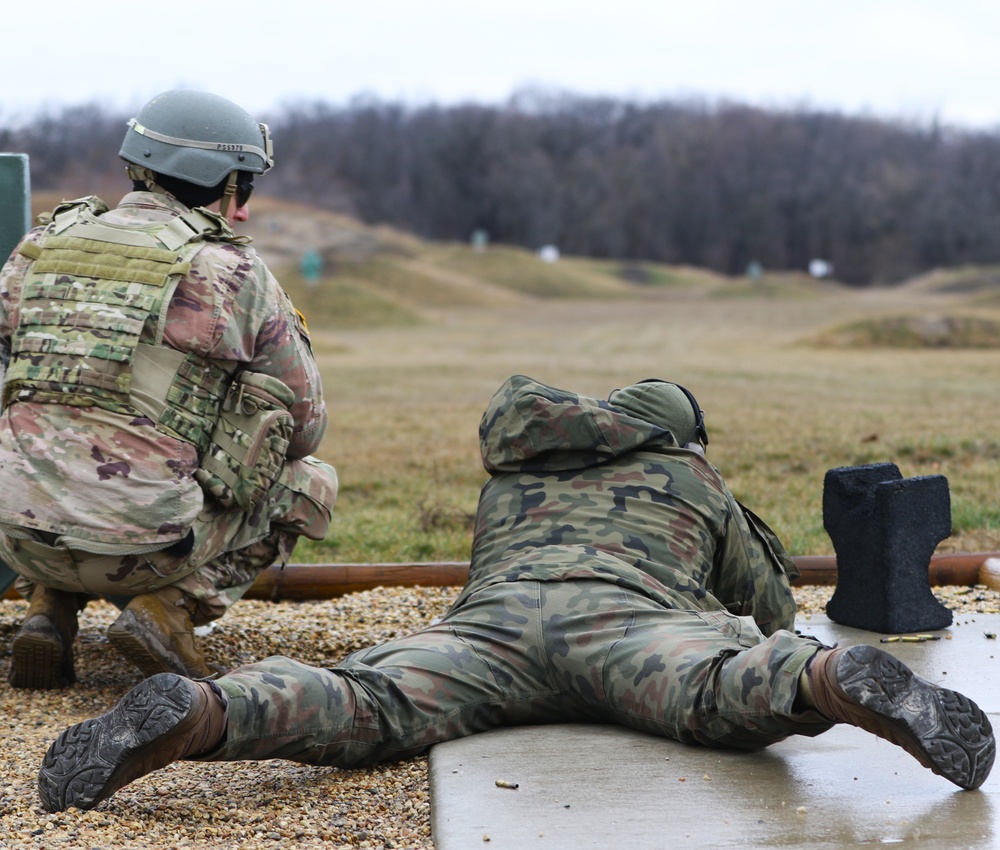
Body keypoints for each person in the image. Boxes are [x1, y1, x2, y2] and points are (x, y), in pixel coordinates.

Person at [37, 375, 994, 812]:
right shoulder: (689, 480)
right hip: (633, 631)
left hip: (492, 632)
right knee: (725, 689)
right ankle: (838, 684)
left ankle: (202, 715)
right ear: (680, 441)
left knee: (366, 701)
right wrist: (785, 629)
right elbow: (769, 605)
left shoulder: (511, 480)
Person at [0, 90, 338, 688]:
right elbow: (305, 426)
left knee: (57, 436)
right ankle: (171, 611)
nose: (245, 210)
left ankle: (48, 608)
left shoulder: (40, 247)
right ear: (223, 182)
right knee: (310, 483)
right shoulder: (233, 271)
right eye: (245, 188)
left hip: (16, 538)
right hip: (144, 552)